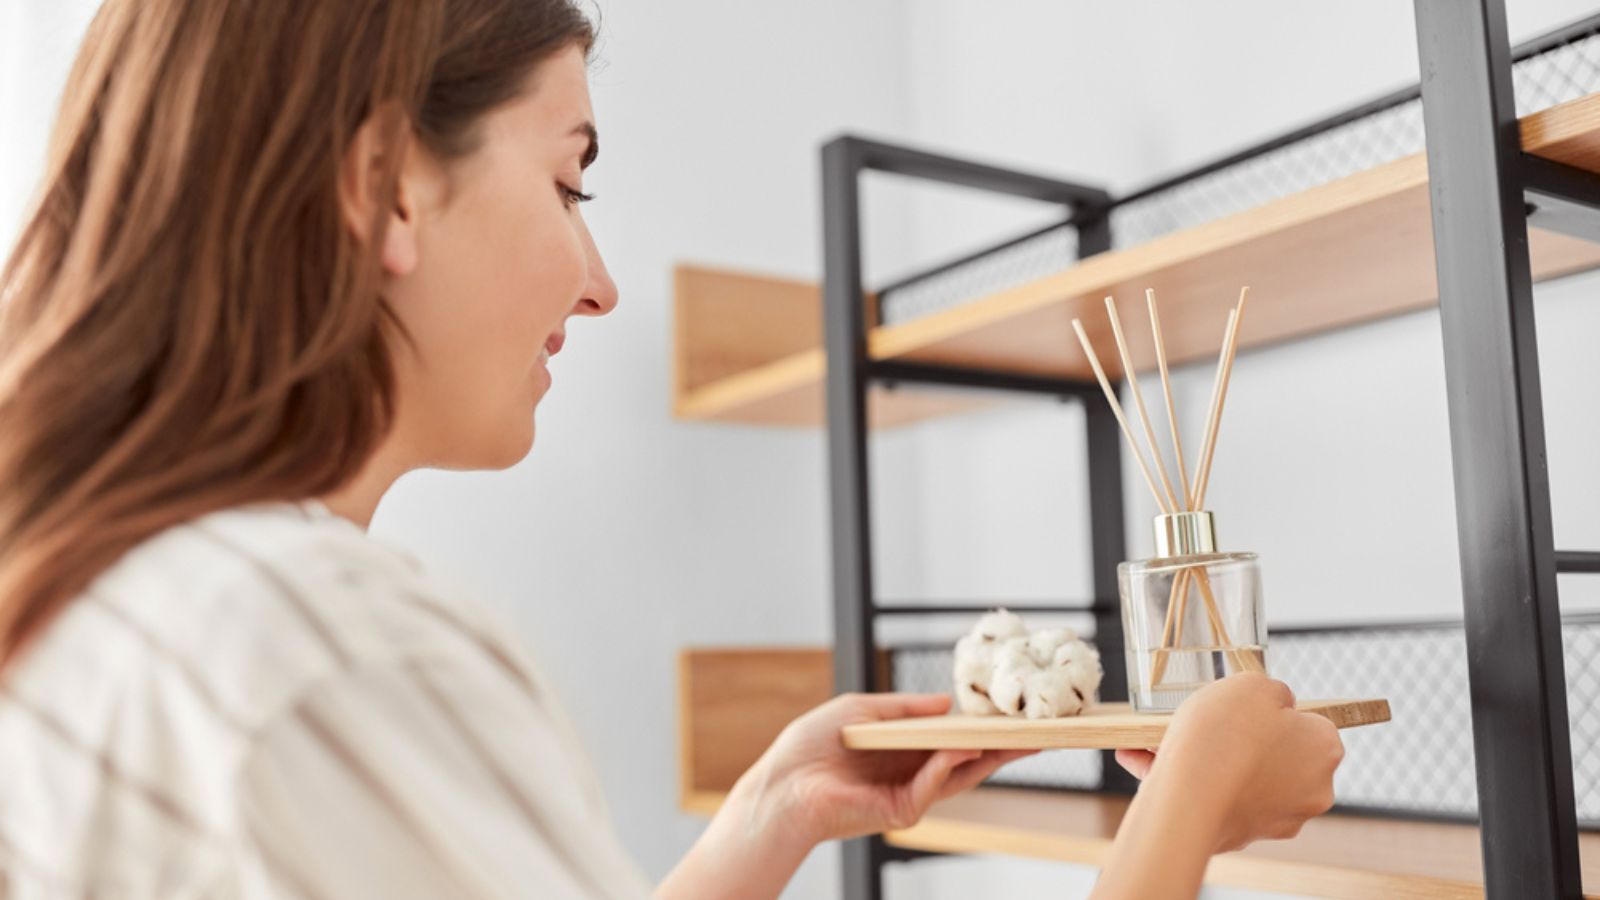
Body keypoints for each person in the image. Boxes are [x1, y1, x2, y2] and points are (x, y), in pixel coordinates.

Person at [0, 1, 1344, 897]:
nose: (599, 285)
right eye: (567, 181)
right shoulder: (315, 646)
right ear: (383, 186)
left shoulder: (125, 598)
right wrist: (1192, 805)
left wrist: (768, 820)